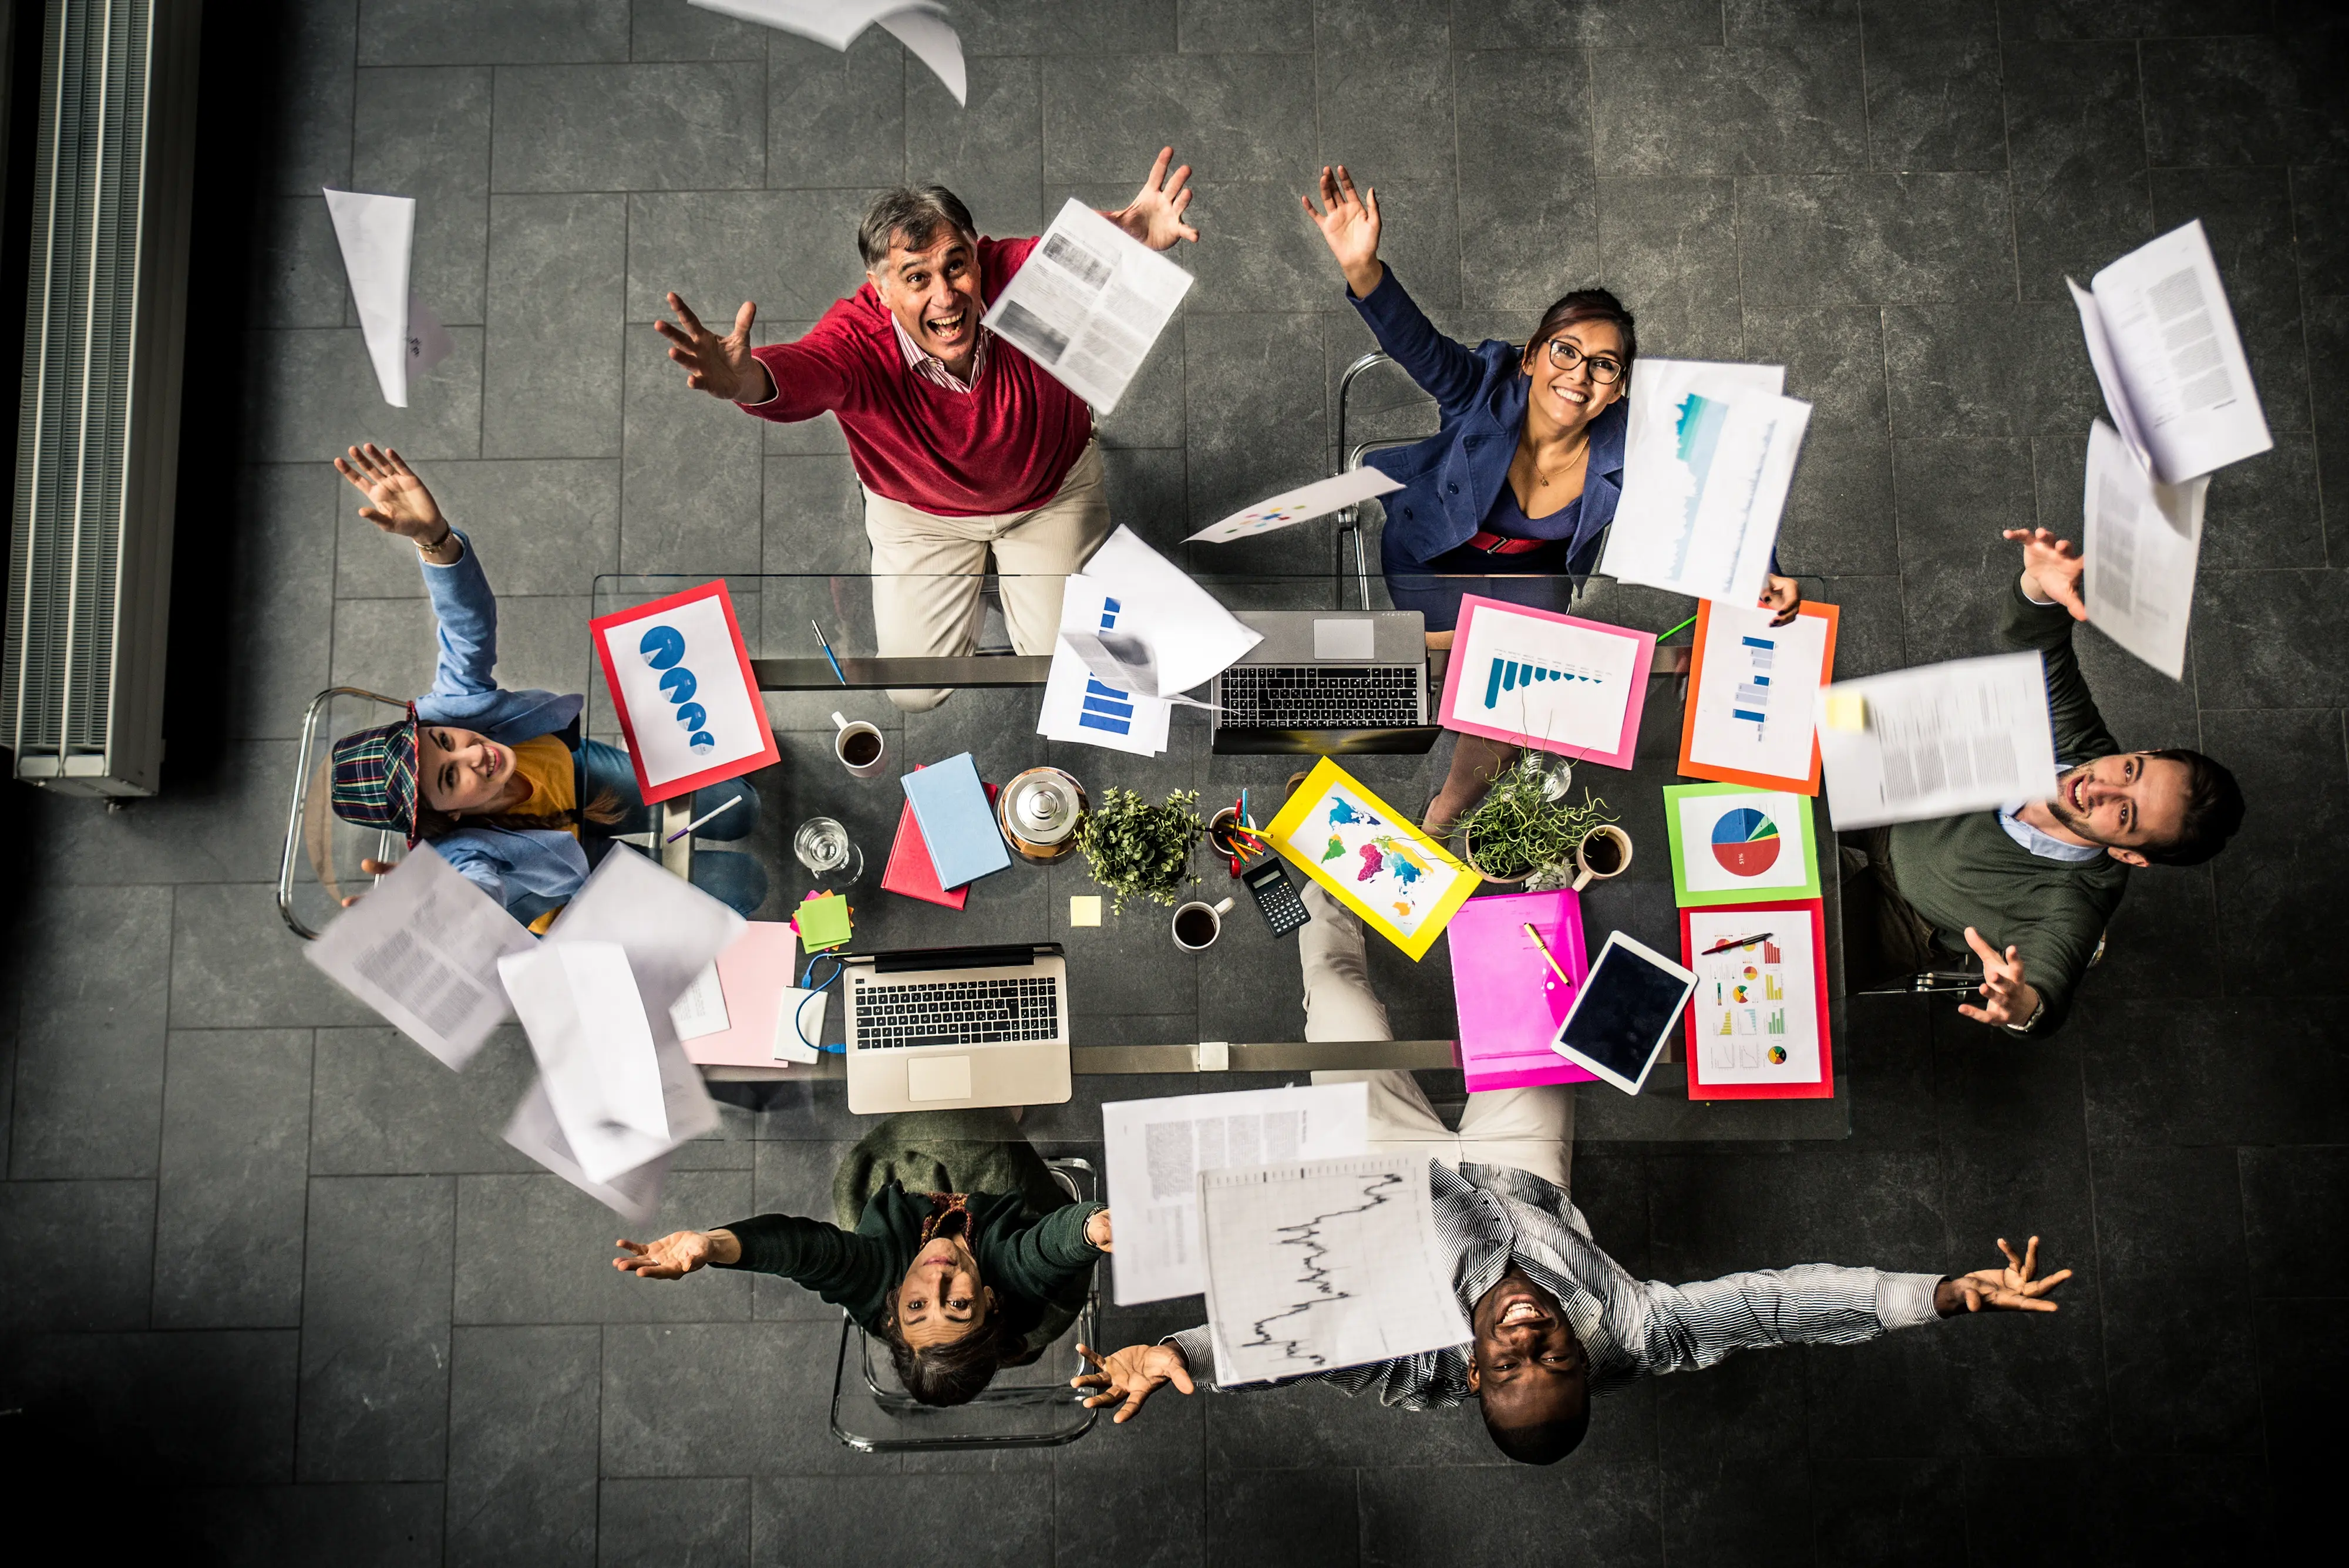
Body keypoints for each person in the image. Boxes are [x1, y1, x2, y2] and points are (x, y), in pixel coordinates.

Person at [1300, 165, 1805, 832]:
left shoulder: (1632, 438)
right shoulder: (1481, 385)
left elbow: (1721, 487)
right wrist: (1364, 269)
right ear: (1532, 357)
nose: (1580, 375)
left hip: (1531, 577)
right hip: (1430, 558)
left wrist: (1761, 567)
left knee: (1512, 704)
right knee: (1465, 676)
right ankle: (1486, 718)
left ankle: (1448, 807)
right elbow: (1414, 345)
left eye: (1603, 366)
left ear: (1618, 388)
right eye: (1565, 351)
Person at [655, 150, 1200, 712]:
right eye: (917, 278)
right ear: (881, 288)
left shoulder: (1020, 275)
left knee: (1061, 668)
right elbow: (804, 369)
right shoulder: (856, 340)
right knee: (914, 690)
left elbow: (1081, 251)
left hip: (1050, 494)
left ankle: (1011, 585)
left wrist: (1128, 235)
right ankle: (992, 585)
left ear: (978, 256)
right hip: (922, 517)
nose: (946, 297)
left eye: (956, 266)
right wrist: (748, 379)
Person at [325, 444, 767, 927]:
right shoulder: (457, 852)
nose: (472, 754)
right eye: (450, 777)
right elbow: (479, 889)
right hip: (574, 879)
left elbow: (466, 629)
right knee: (744, 885)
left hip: (577, 775)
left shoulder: (449, 708)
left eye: (445, 742)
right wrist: (444, 909)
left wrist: (436, 540)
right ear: (446, 818)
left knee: (742, 809)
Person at [1846, 526, 2245, 1034]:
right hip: (1892, 800)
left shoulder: (2077, 900)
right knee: (1734, 792)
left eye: (2124, 814)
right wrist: (2041, 589)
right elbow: (2039, 644)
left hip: (1904, 919)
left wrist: (2024, 1005)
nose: (2098, 788)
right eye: (2129, 771)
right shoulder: (2083, 744)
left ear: (2129, 855)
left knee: (1761, 951)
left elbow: (2050, 988)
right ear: (2143, 752)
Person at [612, 1110, 1113, 1407]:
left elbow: (807, 1254)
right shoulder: (1011, 1279)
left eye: (917, 1308)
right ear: (989, 1299)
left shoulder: (879, 1283)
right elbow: (1045, 1250)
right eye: (957, 1306)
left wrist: (715, 1245)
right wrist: (1092, 1228)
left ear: (895, 1307)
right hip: (1023, 1307)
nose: (935, 1285)